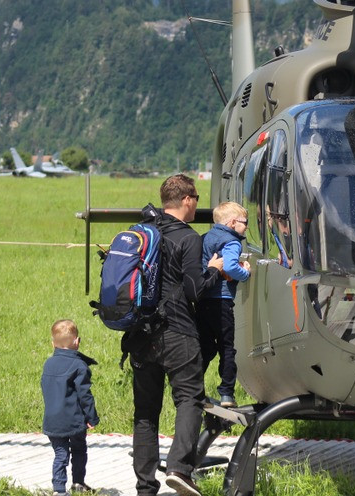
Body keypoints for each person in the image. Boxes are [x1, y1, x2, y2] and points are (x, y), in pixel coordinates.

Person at [128, 174, 224, 496]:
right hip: (178, 331)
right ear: (187, 200)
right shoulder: (189, 238)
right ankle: (180, 469)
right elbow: (194, 290)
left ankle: (145, 487)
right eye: (196, 197)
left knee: (145, 412)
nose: (198, 203)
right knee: (189, 399)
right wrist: (215, 269)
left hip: (140, 335)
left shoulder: (145, 232)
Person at [199, 201, 251, 408]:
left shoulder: (205, 238)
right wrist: (244, 273)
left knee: (204, 347)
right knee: (227, 348)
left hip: (203, 301)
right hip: (222, 302)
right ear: (232, 223)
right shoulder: (232, 242)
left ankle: (194, 387)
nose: (246, 227)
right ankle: (227, 394)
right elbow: (229, 265)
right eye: (244, 223)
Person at [41, 319, 99, 496]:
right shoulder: (79, 365)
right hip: (74, 420)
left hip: (52, 420)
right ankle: (78, 483)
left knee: (60, 455)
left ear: (53, 343)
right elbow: (85, 395)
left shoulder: (48, 364)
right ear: (77, 341)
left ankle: (59, 490)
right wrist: (92, 417)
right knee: (79, 449)